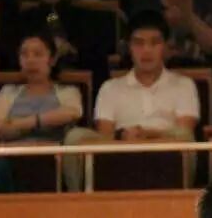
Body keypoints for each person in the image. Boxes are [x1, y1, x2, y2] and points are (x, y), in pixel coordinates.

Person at [70, 10, 199, 146]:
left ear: (166, 46)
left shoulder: (184, 85)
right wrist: (123, 136)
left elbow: (184, 134)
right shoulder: (110, 88)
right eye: (139, 43)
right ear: (129, 47)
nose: (147, 50)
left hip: (168, 151)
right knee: (75, 137)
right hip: (121, 149)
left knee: (183, 134)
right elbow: (105, 137)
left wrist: (146, 134)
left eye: (154, 43)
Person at [0, 31, 83, 143]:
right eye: (24, 55)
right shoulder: (8, 91)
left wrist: (29, 122)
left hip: (54, 151)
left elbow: (73, 113)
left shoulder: (67, 91)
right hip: (15, 151)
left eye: (38, 54)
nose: (30, 61)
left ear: (52, 60)